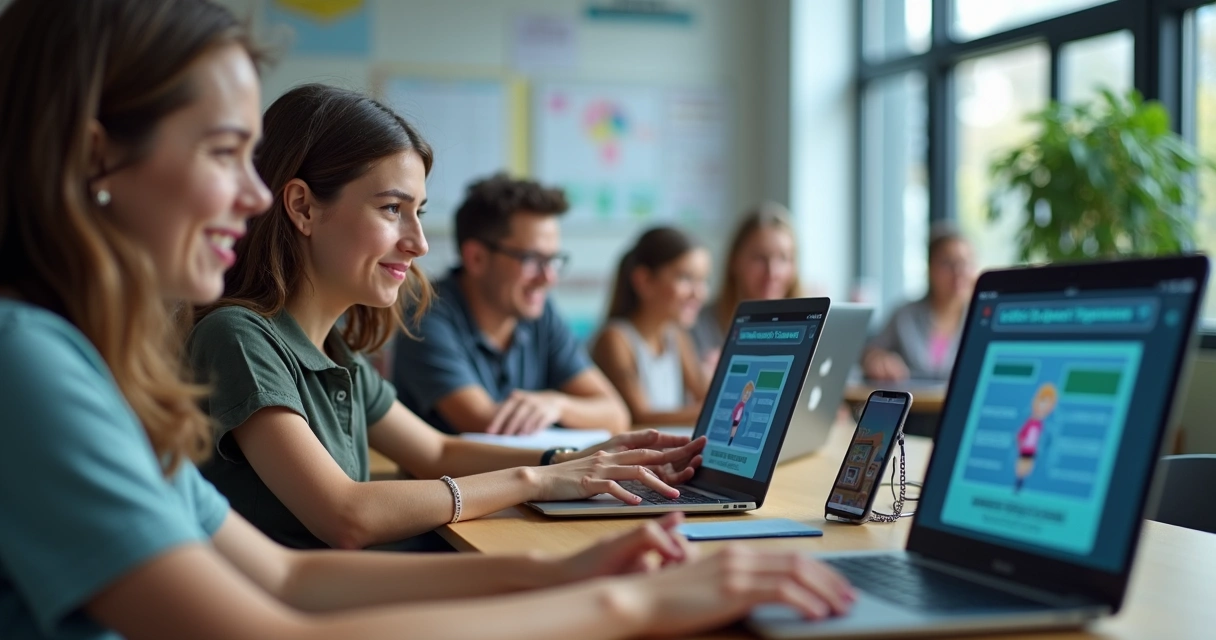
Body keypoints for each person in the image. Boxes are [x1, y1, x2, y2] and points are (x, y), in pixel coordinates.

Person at [0, 2, 857, 638]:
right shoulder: (29, 364)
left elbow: (293, 580)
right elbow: (283, 618)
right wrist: (624, 600)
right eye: (224, 152)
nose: (252, 193)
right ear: (94, 156)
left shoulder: (94, 371)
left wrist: (561, 560)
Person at [189, 84, 706, 551]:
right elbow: (347, 515)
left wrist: (579, 457)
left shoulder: (332, 349)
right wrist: (539, 480)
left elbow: (438, 451)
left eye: (419, 212)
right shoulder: (239, 337)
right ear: (302, 207)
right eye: (393, 209)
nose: (419, 242)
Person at [394, 174, 631, 435]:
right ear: (477, 258)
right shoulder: (424, 316)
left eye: (552, 260)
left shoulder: (540, 313)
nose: (549, 278)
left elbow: (616, 415)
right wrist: (573, 411)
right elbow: (488, 425)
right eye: (532, 259)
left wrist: (558, 404)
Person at [590, 227, 711, 427]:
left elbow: (705, 394)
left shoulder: (677, 337)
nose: (699, 293)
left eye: (703, 280)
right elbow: (640, 417)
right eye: (686, 278)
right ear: (644, 281)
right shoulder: (615, 339)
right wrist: (712, 410)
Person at [692, 203, 801, 372]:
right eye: (759, 258)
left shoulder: (808, 327)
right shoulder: (698, 325)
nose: (772, 272)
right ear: (734, 260)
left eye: (784, 259)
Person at [863, 227, 976, 382]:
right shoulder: (904, 314)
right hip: (914, 404)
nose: (959, 271)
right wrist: (877, 359)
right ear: (930, 268)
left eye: (965, 263)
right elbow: (870, 353)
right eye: (947, 263)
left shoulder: (981, 318)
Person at [1015, 383, 1057, 492]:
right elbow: (1020, 435)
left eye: (1049, 404)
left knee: (1028, 468)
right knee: (1022, 467)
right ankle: (1018, 483)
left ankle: (1021, 484)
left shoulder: (1041, 425)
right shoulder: (1030, 422)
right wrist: (1021, 445)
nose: (1044, 406)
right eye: (1043, 401)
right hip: (1025, 449)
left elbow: (1041, 438)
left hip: (1033, 450)